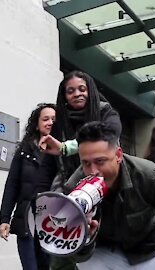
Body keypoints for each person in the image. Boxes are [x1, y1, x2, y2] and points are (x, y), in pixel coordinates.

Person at [62, 121, 155, 270]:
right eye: (85, 163)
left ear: (118, 155)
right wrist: (85, 238)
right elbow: (75, 255)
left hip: (149, 249)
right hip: (104, 251)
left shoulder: (151, 176)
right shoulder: (74, 188)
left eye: (100, 161)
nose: (93, 171)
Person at [38, 71, 121, 270]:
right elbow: (49, 165)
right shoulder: (58, 122)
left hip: (105, 190)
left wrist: (66, 148)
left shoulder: (106, 112)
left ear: (90, 90)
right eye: (70, 91)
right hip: (67, 193)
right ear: (64, 96)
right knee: (62, 255)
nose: (77, 94)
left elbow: (105, 137)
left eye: (82, 89)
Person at [0, 103, 56, 270]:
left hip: (53, 224)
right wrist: (4, 219)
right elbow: (12, 185)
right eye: (45, 119)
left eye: (54, 119)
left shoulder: (62, 153)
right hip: (26, 220)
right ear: (37, 124)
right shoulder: (24, 150)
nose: (50, 122)